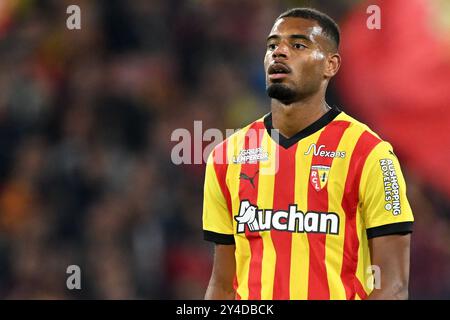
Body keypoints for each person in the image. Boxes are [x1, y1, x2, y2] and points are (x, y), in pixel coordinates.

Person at [202, 8, 414, 300]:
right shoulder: (227, 156)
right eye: (272, 45)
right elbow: (223, 284)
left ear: (331, 65)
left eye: (298, 45)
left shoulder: (369, 154)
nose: (279, 53)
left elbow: (393, 287)